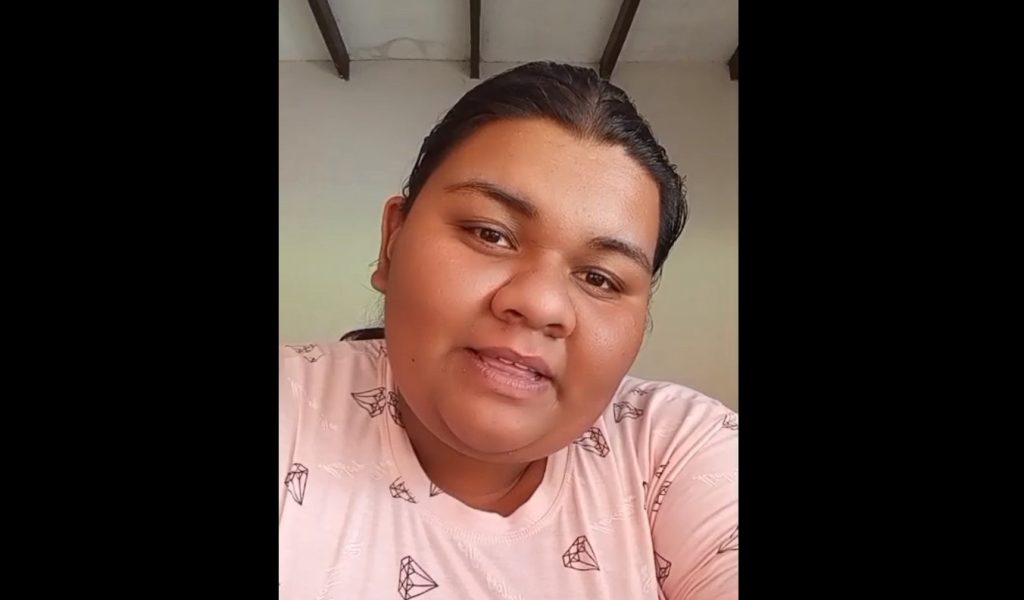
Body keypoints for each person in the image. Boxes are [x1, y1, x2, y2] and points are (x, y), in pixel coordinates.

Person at [279, 61, 737, 600]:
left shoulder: (677, 450)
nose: (541, 304)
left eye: (599, 278)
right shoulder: (291, 407)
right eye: (490, 234)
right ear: (392, 243)